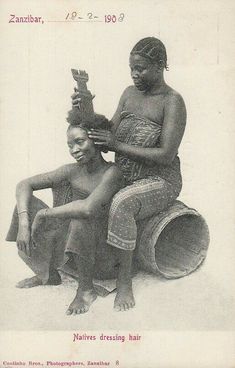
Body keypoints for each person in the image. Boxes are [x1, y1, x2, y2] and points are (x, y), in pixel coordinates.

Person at [72, 37, 187, 311]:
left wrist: (115, 144)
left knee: (122, 202)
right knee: (77, 186)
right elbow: (106, 134)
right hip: (123, 175)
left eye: (142, 68)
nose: (135, 74)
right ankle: (79, 276)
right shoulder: (128, 93)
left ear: (161, 66)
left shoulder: (173, 102)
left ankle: (124, 283)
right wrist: (84, 101)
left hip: (161, 181)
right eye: (132, 69)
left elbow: (166, 155)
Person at [6, 110, 125, 315]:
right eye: (70, 145)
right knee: (24, 206)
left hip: (102, 254)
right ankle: (48, 274)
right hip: (73, 244)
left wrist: (44, 214)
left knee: (79, 219)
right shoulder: (71, 170)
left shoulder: (112, 173)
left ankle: (86, 290)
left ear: (96, 140)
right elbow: (24, 184)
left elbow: (88, 208)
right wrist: (25, 223)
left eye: (80, 142)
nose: (74, 150)